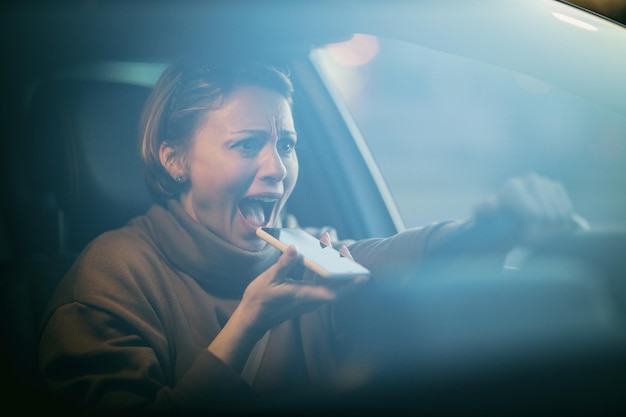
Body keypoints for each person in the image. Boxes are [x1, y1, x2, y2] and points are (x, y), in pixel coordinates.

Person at [37, 59, 580, 414]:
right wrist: (247, 325)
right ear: (174, 158)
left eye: (288, 144)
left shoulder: (302, 249)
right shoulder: (110, 278)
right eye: (247, 145)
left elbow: (393, 257)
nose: (278, 168)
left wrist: (494, 228)